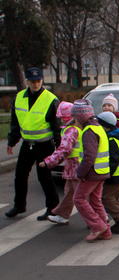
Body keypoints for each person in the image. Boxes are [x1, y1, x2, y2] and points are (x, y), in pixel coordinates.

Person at [5, 67, 61, 220]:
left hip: (45, 144)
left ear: (41, 80)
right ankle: (19, 205)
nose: (36, 84)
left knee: (44, 177)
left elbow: (56, 125)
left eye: (38, 81)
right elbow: (16, 122)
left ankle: (52, 208)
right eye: (32, 81)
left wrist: (59, 145)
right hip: (28, 143)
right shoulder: (19, 98)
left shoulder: (50, 99)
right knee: (20, 175)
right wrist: (12, 140)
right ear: (27, 81)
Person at [72, 99, 111, 241]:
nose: (74, 121)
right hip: (101, 171)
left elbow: (89, 156)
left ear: (80, 117)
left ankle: (98, 226)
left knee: (78, 198)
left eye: (75, 118)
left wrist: (80, 173)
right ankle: (105, 231)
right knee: (95, 201)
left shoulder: (88, 132)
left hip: (92, 172)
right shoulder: (98, 127)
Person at [38, 102, 81, 225]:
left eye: (61, 117)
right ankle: (63, 215)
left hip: (75, 167)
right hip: (74, 167)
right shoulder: (77, 128)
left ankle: (99, 219)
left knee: (82, 197)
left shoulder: (70, 130)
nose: (60, 120)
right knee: (70, 193)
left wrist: (48, 161)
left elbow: (64, 149)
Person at [97, 111, 119, 234]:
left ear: (105, 126)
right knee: (115, 198)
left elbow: (113, 159)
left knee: (106, 197)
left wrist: (107, 173)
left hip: (115, 174)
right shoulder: (118, 136)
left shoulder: (111, 140)